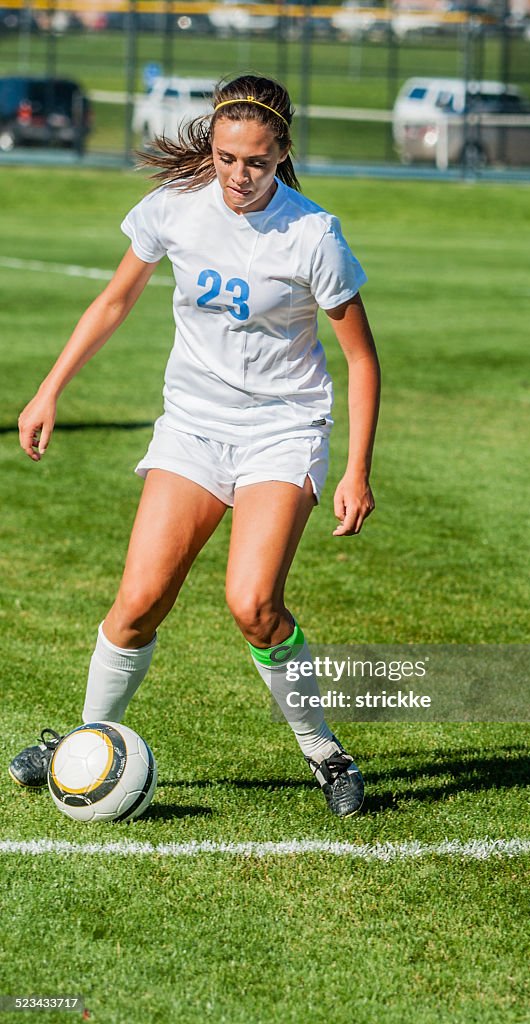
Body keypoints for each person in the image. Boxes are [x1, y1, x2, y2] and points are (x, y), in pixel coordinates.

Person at [8, 74, 380, 819]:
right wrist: (49, 389)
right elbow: (114, 299)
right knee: (138, 602)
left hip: (281, 431)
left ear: (282, 157)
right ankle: (84, 738)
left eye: (257, 163)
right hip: (192, 427)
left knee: (252, 606)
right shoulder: (174, 207)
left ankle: (324, 752)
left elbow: (361, 359)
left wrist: (355, 469)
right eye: (226, 157)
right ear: (211, 146)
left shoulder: (313, 235)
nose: (239, 176)